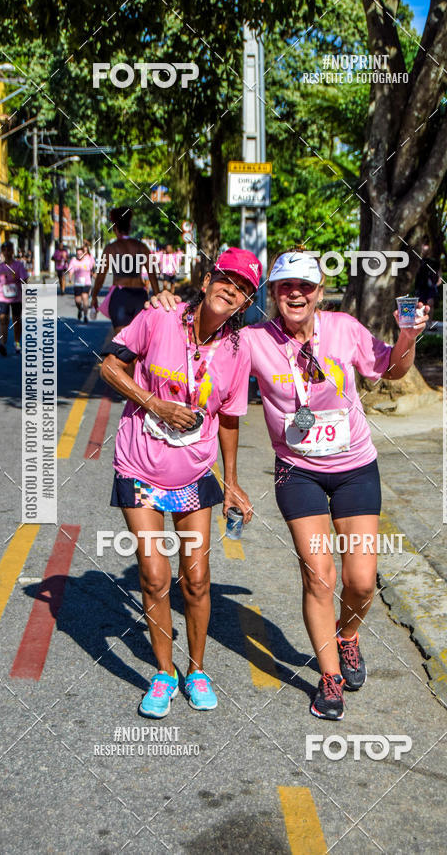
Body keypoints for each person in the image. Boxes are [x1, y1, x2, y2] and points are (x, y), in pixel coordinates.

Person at [152, 248, 429, 721]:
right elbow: (204, 333)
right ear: (274, 294)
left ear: (319, 292)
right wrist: (166, 306)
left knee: (360, 581)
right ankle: (329, 679)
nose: (295, 294)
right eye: (285, 286)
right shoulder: (254, 340)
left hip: (355, 466)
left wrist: (408, 336)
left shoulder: (343, 329)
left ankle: (347, 636)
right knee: (320, 574)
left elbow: (391, 369)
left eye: (305, 286)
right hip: (297, 470)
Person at [100, 247, 260, 719]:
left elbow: (229, 419)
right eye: (226, 278)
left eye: (243, 287)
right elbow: (110, 365)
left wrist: (232, 482)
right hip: (139, 466)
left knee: (196, 579)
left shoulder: (239, 348)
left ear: (246, 301)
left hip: (193, 474)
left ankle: (197, 670)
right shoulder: (160, 318)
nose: (231, 289)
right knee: (153, 576)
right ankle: (165, 674)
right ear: (209, 278)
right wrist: (154, 404)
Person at [91, 206, 160, 334]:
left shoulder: (111, 248)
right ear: (129, 227)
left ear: (115, 228)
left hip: (120, 297)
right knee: (139, 341)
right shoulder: (142, 247)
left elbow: (100, 277)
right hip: (140, 296)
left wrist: (94, 296)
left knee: (121, 342)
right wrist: (158, 295)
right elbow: (152, 275)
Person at [0, 241, 29, 355]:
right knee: (3, 320)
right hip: (2, 297)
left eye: (9, 250)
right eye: (4, 250)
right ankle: (2, 344)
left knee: (17, 320)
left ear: (12, 251)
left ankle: (17, 342)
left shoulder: (18, 265)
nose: (7, 252)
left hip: (16, 298)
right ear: (2, 252)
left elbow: (24, 280)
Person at [67, 245, 96, 322]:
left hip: (87, 282)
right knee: (78, 301)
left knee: (85, 297)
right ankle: (80, 309)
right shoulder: (74, 261)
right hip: (77, 283)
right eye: (77, 254)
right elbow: (70, 270)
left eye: (80, 254)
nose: (79, 255)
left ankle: (85, 316)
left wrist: (96, 277)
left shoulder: (88, 260)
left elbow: (92, 270)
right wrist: (70, 278)